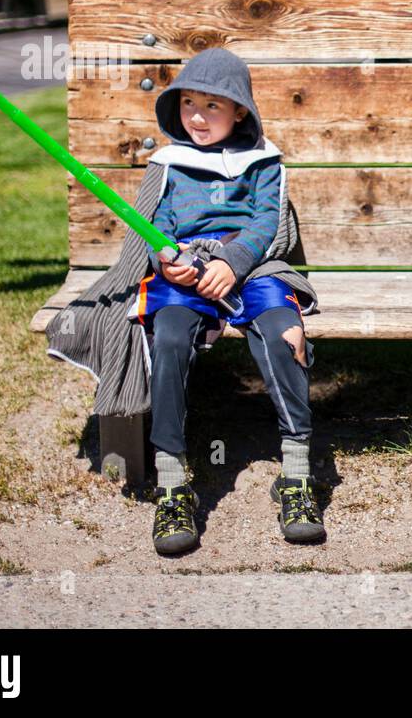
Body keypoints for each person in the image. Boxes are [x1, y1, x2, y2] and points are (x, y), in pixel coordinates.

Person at [128, 47, 323, 554]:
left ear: (240, 111)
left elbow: (266, 222)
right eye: (189, 103)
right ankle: (172, 483)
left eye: (212, 106)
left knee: (286, 334)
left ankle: (297, 475)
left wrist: (232, 263)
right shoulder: (170, 162)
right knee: (168, 336)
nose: (196, 116)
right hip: (186, 275)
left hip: (251, 269)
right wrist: (166, 258)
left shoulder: (263, 161)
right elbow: (159, 222)